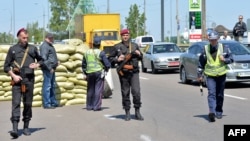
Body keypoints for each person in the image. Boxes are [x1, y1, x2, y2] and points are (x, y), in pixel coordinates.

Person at [4, 28, 44, 138]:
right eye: (23, 38)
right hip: (17, 81)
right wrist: (13, 76)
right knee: (16, 104)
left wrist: (37, 65)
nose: (25, 40)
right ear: (18, 37)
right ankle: (15, 129)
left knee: (28, 104)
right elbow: (6, 67)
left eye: (27, 38)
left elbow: (41, 60)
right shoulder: (13, 49)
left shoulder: (32, 49)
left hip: (29, 80)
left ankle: (26, 127)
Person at [197, 31, 233, 122]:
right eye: (211, 40)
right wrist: (199, 74)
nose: (213, 42)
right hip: (210, 76)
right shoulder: (205, 49)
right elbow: (201, 63)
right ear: (209, 40)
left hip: (221, 75)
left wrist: (224, 59)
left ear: (218, 39)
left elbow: (232, 59)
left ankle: (219, 110)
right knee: (211, 93)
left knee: (219, 94)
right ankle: (211, 112)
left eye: (214, 40)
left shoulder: (224, 48)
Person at [108, 29, 144, 121]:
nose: (125, 37)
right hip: (123, 73)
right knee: (125, 93)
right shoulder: (117, 47)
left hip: (134, 72)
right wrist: (117, 59)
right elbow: (110, 59)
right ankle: (127, 112)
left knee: (136, 92)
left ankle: (137, 112)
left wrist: (139, 54)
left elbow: (141, 57)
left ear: (129, 35)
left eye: (127, 35)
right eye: (123, 35)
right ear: (121, 36)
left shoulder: (135, 46)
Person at [82, 37, 111, 111]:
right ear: (99, 44)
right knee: (98, 89)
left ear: (92, 44)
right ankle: (96, 106)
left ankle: (89, 106)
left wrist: (85, 73)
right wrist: (106, 69)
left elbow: (83, 64)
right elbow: (107, 64)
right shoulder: (101, 53)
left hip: (89, 73)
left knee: (90, 90)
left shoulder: (87, 52)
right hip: (98, 73)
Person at [40, 33, 59, 109]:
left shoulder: (49, 45)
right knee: (47, 86)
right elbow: (44, 59)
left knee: (52, 85)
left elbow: (51, 57)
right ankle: (47, 104)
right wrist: (49, 68)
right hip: (48, 69)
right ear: (46, 38)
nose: (51, 39)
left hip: (52, 68)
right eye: (50, 38)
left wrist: (56, 62)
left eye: (52, 38)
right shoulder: (44, 46)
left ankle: (53, 102)